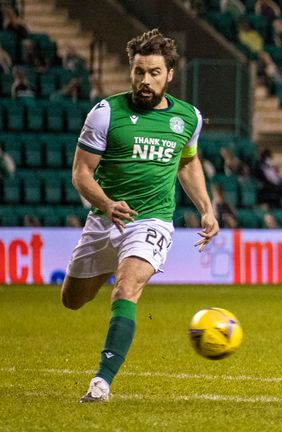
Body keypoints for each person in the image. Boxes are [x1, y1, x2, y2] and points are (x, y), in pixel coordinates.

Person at [61, 29, 220, 403]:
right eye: (138, 72)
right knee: (72, 300)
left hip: (152, 220)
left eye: (153, 73)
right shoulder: (106, 113)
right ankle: (106, 264)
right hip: (105, 219)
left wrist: (207, 209)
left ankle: (101, 383)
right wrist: (105, 204)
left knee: (127, 287)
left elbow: (189, 162)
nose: (144, 81)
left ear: (169, 75)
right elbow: (81, 173)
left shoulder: (188, 118)